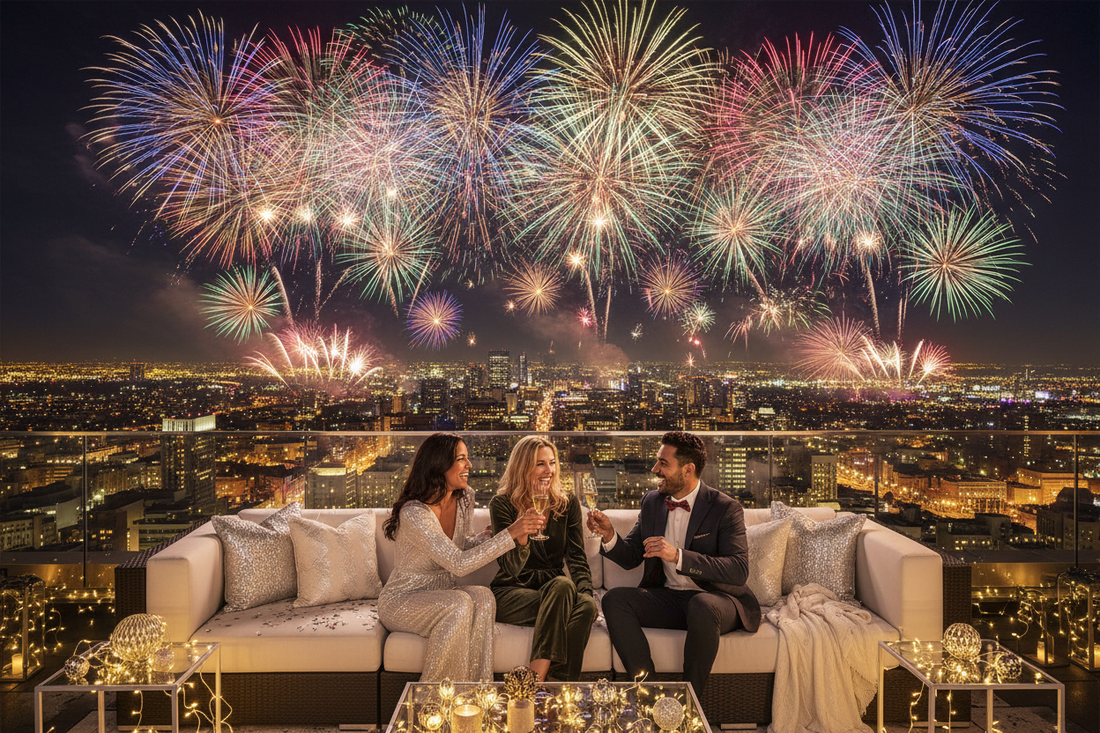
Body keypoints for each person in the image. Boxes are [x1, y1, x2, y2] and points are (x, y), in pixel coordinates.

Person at [586, 430, 759, 697]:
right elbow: (632, 555)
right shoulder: (652, 502)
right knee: (613, 600)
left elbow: (737, 570)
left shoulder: (725, 508)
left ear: (688, 470)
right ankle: (653, 696)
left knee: (701, 605)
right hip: (671, 599)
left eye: (663, 464)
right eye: (657, 462)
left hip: (717, 601)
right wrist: (609, 535)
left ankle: (691, 704)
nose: (655, 469)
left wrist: (678, 556)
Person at [379, 433, 544, 682]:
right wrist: (511, 532)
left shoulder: (465, 498)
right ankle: (434, 699)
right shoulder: (414, 514)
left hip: (443, 592)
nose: (469, 465)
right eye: (461, 459)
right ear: (439, 465)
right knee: (459, 602)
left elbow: (459, 546)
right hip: (403, 600)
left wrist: (485, 538)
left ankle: (477, 692)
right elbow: (457, 564)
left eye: (468, 458)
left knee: (483, 596)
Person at [489, 436, 597, 682]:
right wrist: (523, 536)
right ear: (523, 467)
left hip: (557, 591)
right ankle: (538, 683)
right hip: (511, 590)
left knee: (587, 605)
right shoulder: (502, 504)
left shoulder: (566, 503)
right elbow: (509, 566)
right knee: (563, 585)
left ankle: (556, 685)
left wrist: (588, 593)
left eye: (552, 463)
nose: (549, 471)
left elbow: (577, 557)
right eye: (540, 464)